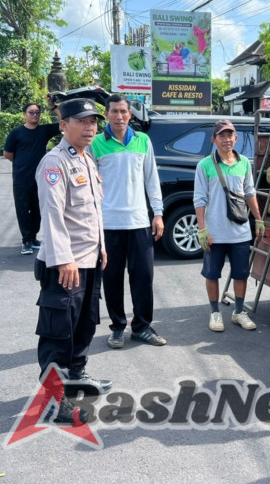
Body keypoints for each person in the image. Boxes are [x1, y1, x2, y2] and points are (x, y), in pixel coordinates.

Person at [34, 98, 111, 424]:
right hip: (64, 264)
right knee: (58, 333)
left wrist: (101, 246)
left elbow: (92, 211)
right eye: (82, 121)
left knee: (85, 324)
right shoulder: (54, 163)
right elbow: (53, 216)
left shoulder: (87, 159)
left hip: (89, 259)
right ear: (63, 125)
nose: (90, 127)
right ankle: (55, 401)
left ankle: (76, 378)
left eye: (93, 121)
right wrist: (64, 260)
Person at [91, 94, 167, 348]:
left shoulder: (143, 141)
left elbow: (151, 180)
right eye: (114, 111)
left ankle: (142, 326)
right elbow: (89, 186)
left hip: (139, 222)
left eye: (124, 111)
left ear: (130, 115)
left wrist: (157, 213)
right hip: (108, 224)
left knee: (143, 277)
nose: (119, 116)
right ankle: (116, 327)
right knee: (111, 278)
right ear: (107, 114)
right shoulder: (96, 144)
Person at [193, 120, 265, 332]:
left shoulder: (244, 163)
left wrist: (258, 219)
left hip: (240, 231)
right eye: (221, 136)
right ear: (214, 140)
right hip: (214, 233)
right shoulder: (205, 165)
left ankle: (239, 312)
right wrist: (202, 229)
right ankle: (215, 313)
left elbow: (250, 192)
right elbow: (199, 199)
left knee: (241, 273)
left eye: (230, 135)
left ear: (236, 138)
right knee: (212, 274)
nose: (226, 140)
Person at [4, 103, 61, 255]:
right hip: (21, 177)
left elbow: (64, 122)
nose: (35, 115)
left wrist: (53, 106)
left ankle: (33, 237)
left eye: (37, 112)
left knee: (38, 207)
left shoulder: (44, 131)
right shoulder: (16, 133)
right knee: (23, 208)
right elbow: (8, 154)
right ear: (24, 114)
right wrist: (22, 164)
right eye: (31, 112)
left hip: (40, 177)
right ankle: (26, 240)